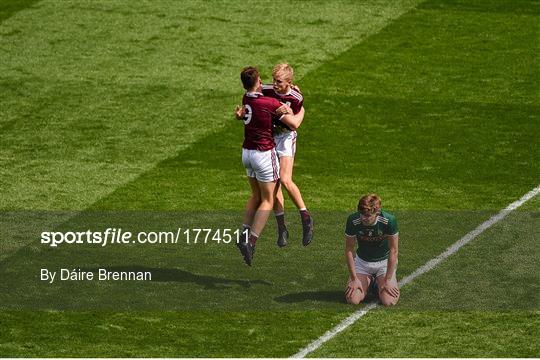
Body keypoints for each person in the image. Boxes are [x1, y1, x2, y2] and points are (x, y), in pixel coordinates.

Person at [236, 63, 313, 248]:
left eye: (279, 81)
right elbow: (254, 93)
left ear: (289, 82)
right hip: (272, 138)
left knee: (286, 180)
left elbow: (294, 123)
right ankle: (282, 229)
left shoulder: (296, 96)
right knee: (275, 185)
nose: (275, 84)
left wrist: (301, 111)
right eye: (274, 80)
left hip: (286, 138)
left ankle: (306, 217)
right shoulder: (267, 90)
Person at [344, 193, 400, 306]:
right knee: (352, 300)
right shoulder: (353, 220)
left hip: (383, 263)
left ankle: (377, 283)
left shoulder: (389, 220)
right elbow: (349, 249)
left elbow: (393, 250)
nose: (363, 218)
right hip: (362, 262)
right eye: (361, 214)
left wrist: (388, 279)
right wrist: (354, 279)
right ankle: (369, 284)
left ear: (377, 212)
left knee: (388, 301)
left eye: (368, 215)